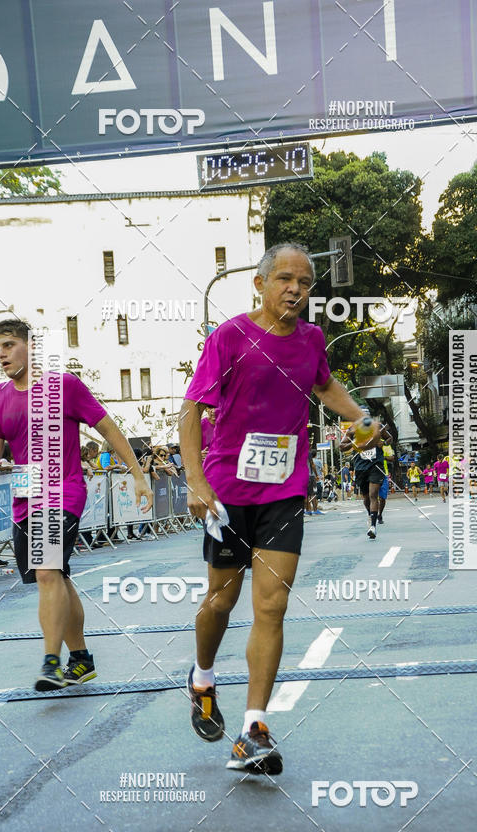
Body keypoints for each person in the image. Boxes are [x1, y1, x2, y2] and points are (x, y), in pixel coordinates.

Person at [178, 242, 380, 775]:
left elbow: (325, 384)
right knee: (220, 604)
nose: (296, 289)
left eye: (306, 282)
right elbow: (192, 411)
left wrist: (362, 419)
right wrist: (196, 482)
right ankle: (201, 677)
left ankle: (253, 727)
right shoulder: (230, 337)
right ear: (261, 284)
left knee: (272, 607)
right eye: (286, 279)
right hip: (228, 492)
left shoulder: (312, 339)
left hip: (284, 491)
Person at [0, 319, 153, 691]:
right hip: (24, 495)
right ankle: (81, 660)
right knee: (55, 576)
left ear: (30, 346)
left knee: (48, 571)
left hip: (63, 490)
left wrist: (137, 474)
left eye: (8, 345)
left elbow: (108, 429)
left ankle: (52, 662)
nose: (1, 354)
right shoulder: (0, 395)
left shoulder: (63, 385)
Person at [342, 416, 389, 538]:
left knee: (374, 495)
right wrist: (354, 444)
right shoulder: (352, 430)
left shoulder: (378, 427)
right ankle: (370, 514)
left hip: (375, 466)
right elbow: (341, 447)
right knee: (366, 497)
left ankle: (373, 526)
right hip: (360, 468)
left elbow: (390, 438)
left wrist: (383, 443)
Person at [378, 437, 395, 524]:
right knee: (372, 496)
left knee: (382, 498)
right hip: (371, 473)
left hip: (383, 474)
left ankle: (380, 514)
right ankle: (373, 514)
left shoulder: (385, 444)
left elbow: (392, 458)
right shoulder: (369, 443)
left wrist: (382, 457)